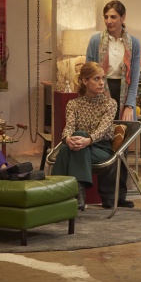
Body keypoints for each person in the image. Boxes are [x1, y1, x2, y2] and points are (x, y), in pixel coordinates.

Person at [51, 63, 131, 211]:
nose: (102, 83)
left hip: (102, 149)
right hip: (81, 147)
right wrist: (67, 139)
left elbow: (103, 129)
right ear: (85, 81)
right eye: (96, 79)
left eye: (103, 78)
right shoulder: (73, 104)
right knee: (70, 144)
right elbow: (69, 127)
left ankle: (57, 195)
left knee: (68, 148)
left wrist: (88, 140)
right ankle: (78, 196)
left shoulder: (110, 103)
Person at [84, 0, 140, 209]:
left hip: (123, 94)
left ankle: (120, 195)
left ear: (123, 18)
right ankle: (107, 197)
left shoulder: (133, 43)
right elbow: (89, 71)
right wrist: (93, 100)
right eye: (106, 17)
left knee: (121, 144)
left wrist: (129, 105)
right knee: (105, 142)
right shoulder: (95, 41)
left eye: (113, 17)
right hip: (101, 92)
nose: (109, 21)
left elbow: (135, 76)